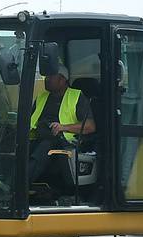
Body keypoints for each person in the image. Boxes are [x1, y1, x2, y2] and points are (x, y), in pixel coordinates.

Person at [28, 65, 94, 195]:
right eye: (46, 76)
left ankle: (19, 185)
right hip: (38, 137)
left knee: (46, 146)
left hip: (63, 141)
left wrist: (63, 127)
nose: (47, 79)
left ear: (63, 79)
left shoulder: (76, 96)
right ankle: (0, 182)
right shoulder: (41, 97)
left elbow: (90, 126)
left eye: (51, 76)